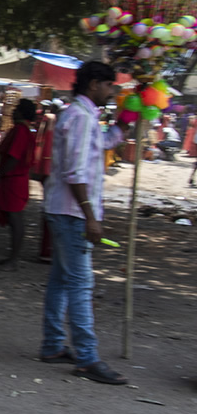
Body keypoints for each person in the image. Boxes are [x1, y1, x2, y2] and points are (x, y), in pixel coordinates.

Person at [40, 61, 127, 385]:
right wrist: (91, 217)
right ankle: (87, 358)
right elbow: (75, 173)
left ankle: (51, 345)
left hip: (67, 209)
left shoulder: (85, 116)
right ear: (93, 85)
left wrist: (124, 126)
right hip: (72, 211)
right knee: (80, 283)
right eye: (108, 86)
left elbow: (100, 146)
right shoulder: (79, 117)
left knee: (62, 281)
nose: (111, 91)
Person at [0, 98, 37, 270]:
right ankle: (12, 257)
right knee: (14, 218)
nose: (14, 111)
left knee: (16, 219)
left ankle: (13, 260)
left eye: (17, 109)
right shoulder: (25, 130)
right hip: (17, 178)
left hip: (13, 179)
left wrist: (0, 175)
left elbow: (13, 156)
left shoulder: (20, 131)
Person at [32, 100, 59, 263]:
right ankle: (48, 251)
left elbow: (43, 144)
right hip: (52, 173)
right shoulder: (52, 122)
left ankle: (47, 250)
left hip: (50, 172)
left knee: (49, 212)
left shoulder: (49, 120)